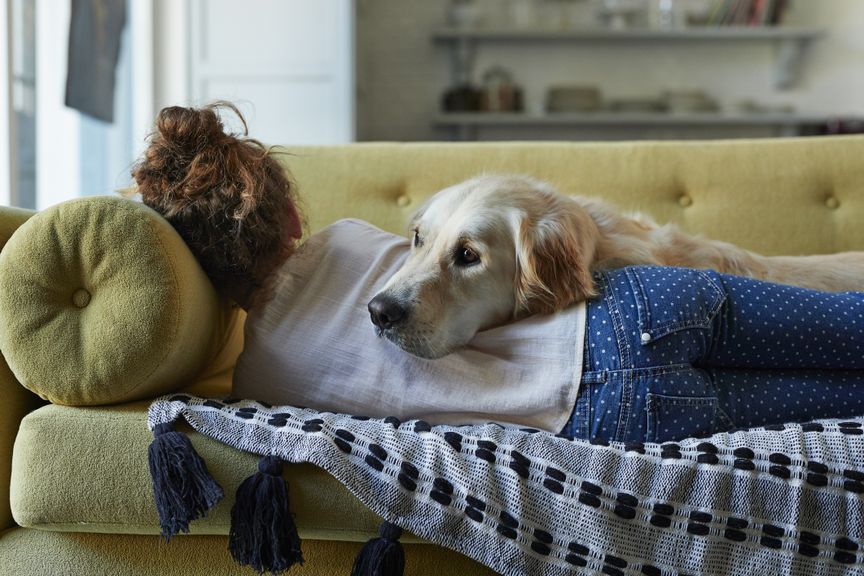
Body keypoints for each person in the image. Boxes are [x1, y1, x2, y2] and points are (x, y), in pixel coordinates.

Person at [132, 103, 864, 445]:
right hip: (646, 305)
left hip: (614, 418)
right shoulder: (347, 241)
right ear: (290, 215)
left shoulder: (261, 383)